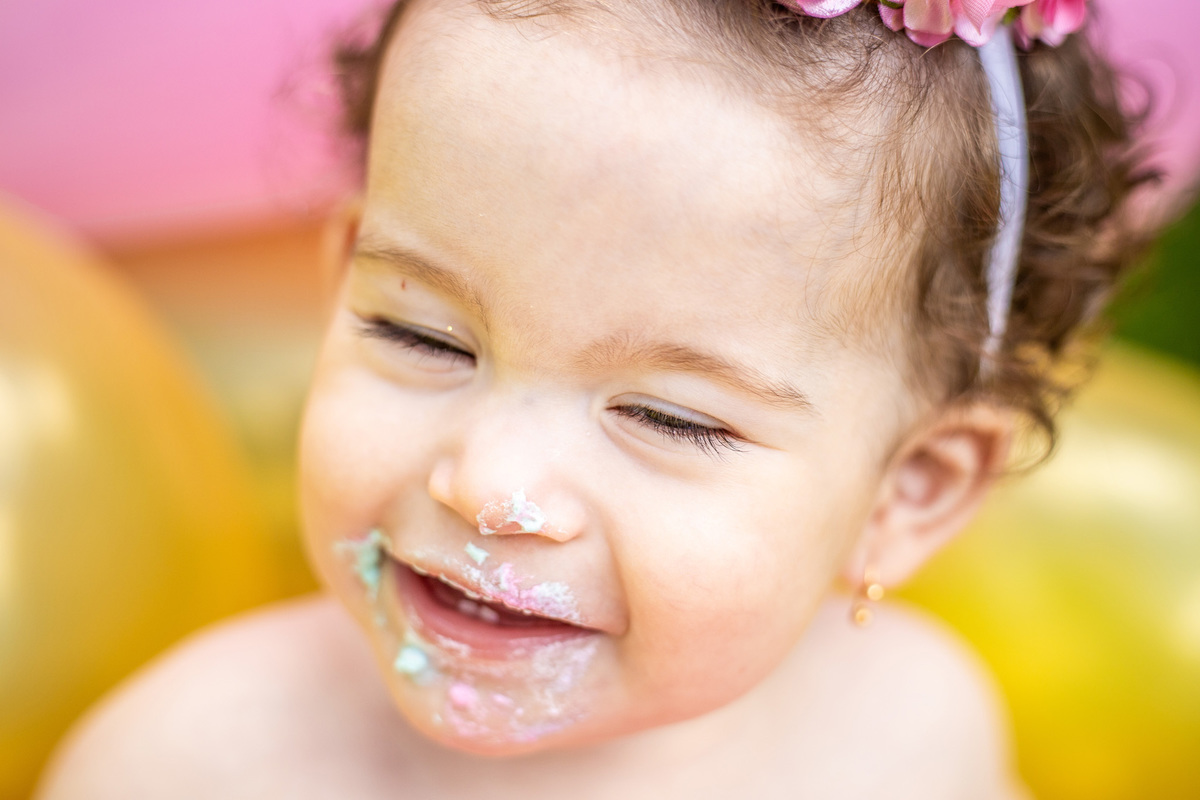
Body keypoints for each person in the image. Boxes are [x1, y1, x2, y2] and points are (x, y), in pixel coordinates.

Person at [37, 1, 1151, 797]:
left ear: (906, 487)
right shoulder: (190, 761)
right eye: (421, 333)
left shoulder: (910, 734)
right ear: (339, 288)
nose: (490, 485)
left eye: (669, 416)